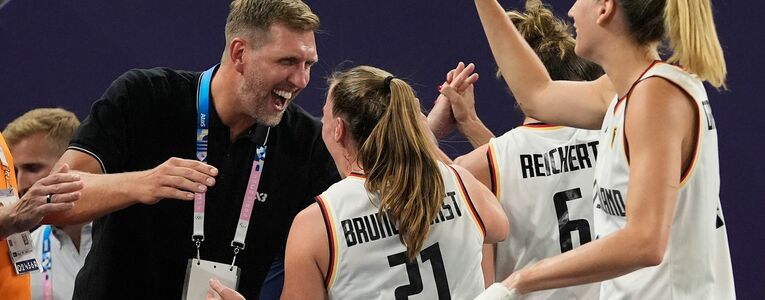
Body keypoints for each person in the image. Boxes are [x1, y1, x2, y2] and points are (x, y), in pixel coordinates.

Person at [45, 0, 340, 298]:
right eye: (287, 62)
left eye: (308, 65)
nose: (301, 80)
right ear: (240, 53)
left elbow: (331, 266)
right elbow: (53, 200)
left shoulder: (308, 142)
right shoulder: (144, 96)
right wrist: (142, 183)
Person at [468, 0, 736, 299]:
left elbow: (645, 241)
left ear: (605, 8)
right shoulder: (627, 91)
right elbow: (536, 94)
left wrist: (518, 281)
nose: (570, 11)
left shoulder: (655, 96)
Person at [274, 65, 509, 299]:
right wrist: (423, 135)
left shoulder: (317, 224)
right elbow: (500, 226)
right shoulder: (459, 182)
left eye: (324, 115)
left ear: (338, 129)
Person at [429, 1, 606, 298]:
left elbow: (514, 168)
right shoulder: (614, 135)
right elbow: (542, 166)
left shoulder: (484, 164)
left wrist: (425, 133)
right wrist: (470, 123)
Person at [3, 108, 91, 300]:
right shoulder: (21, 253)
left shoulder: (128, 237)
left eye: (32, 168)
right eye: (15, 171)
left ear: (72, 163)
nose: (20, 185)